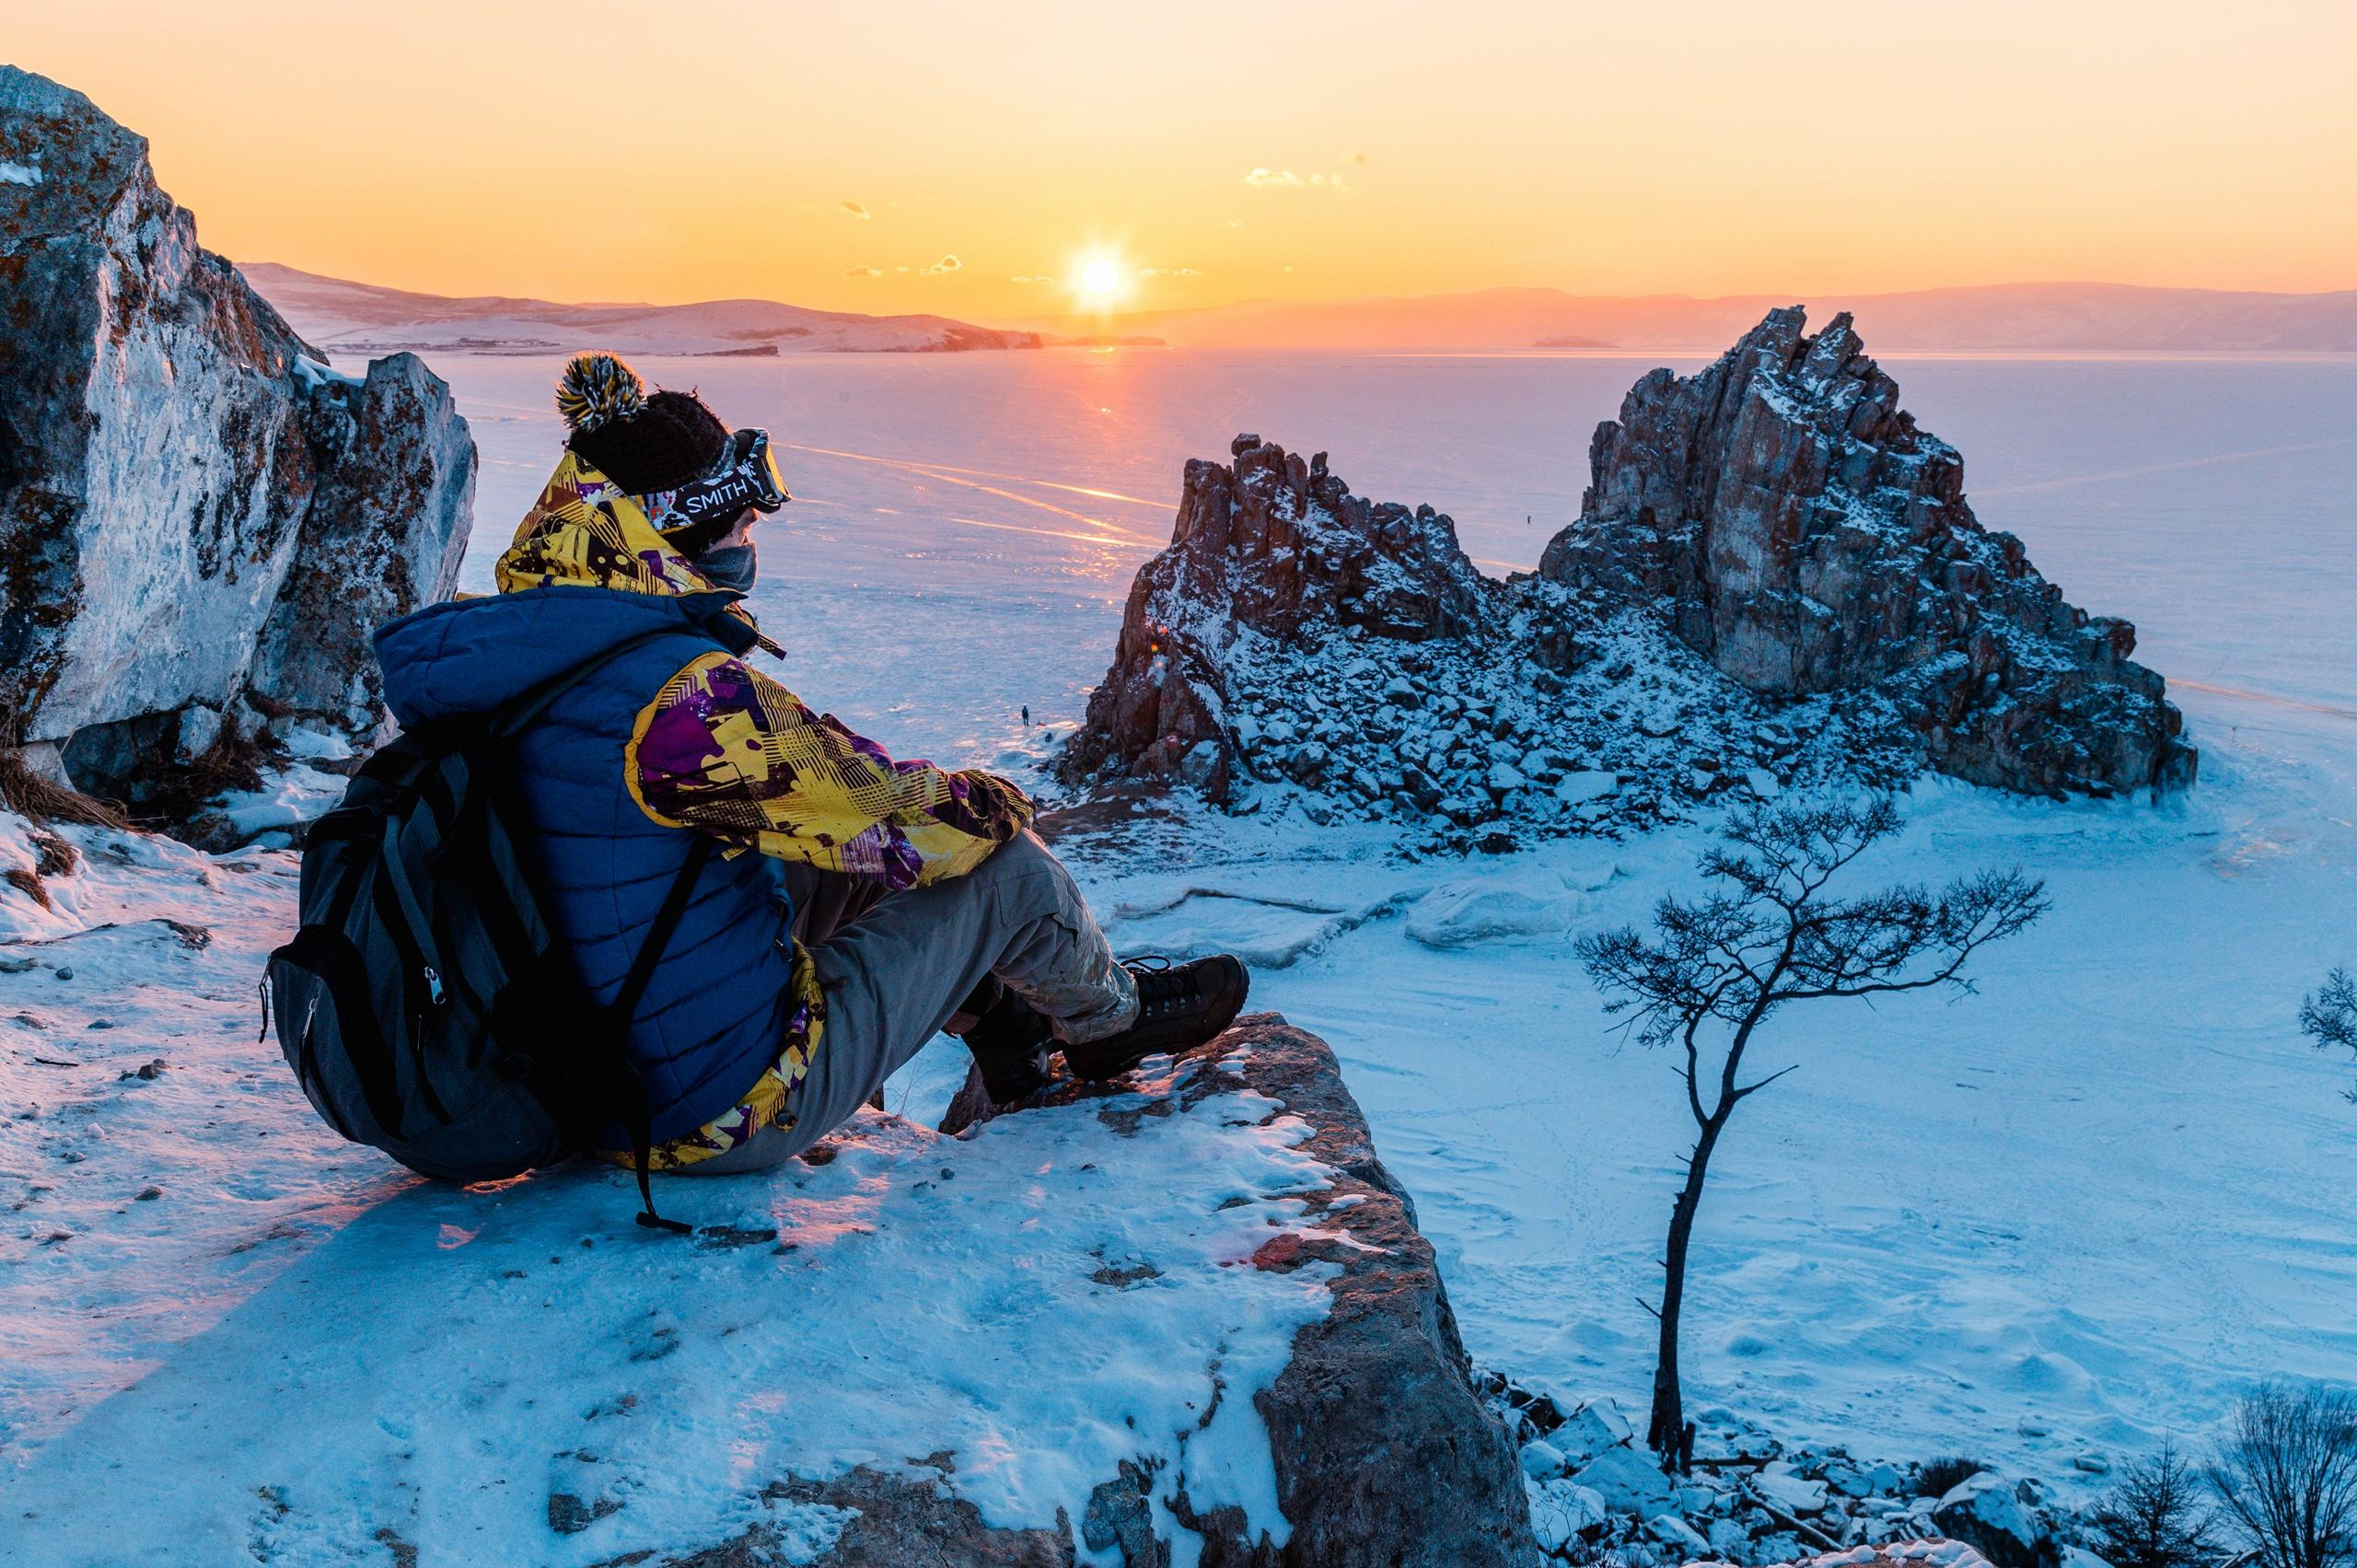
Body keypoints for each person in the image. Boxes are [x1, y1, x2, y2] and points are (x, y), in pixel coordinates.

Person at [373, 354, 1247, 1177]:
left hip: (592, 1060)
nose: (751, 541)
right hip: (713, 1107)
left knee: (831, 861)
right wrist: (994, 800)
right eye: (742, 521)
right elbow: (897, 817)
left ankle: (1012, 1033)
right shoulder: (675, 702)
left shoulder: (529, 645)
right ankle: (1109, 1023)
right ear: (672, 534)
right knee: (1006, 866)